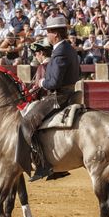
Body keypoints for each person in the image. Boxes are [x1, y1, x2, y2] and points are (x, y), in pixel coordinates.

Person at [17, 16, 80, 182]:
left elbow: (54, 82)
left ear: (56, 34)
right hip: (67, 93)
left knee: (27, 121)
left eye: (48, 32)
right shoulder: (68, 49)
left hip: (58, 96)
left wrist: (43, 82)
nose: (47, 36)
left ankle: (43, 164)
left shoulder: (60, 51)